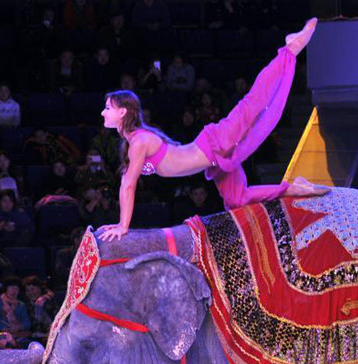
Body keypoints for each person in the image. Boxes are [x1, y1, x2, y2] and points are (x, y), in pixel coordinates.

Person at [98, 18, 327, 241]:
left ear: (123, 113)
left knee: (253, 104)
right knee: (238, 199)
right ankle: (292, 188)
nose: (103, 113)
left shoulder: (139, 142)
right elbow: (125, 183)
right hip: (214, 161)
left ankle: (290, 48)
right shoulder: (134, 142)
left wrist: (122, 226)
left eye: (108, 108)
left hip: (213, 144)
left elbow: (128, 186)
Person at [22, 275, 55, 340]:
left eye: (33, 289)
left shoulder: (49, 303)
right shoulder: (25, 305)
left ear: (39, 289)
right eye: (27, 290)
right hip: (34, 338)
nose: (30, 293)